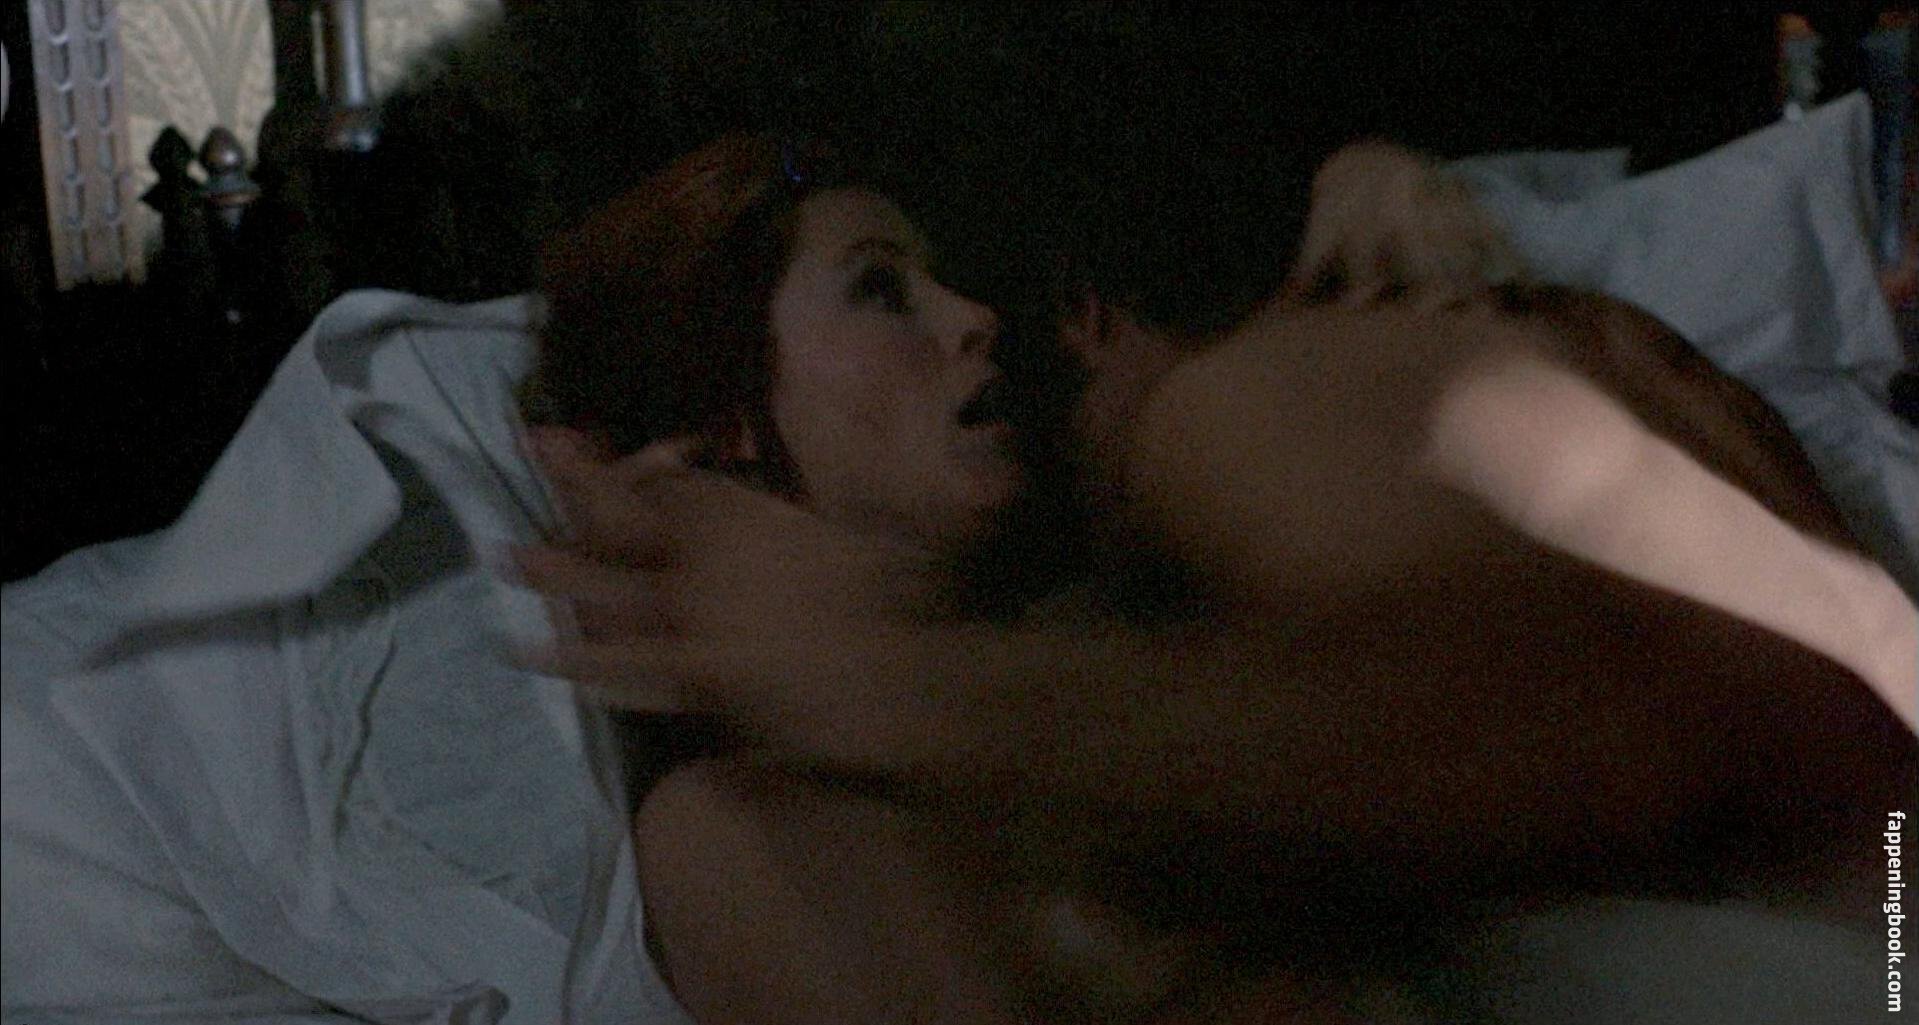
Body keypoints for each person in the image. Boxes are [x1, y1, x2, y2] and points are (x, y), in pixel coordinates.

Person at [516, 139, 1919, 1022]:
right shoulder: (747, 822)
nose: (975, 319)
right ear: (715, 423)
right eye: (881, 289)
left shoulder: (1129, 635)